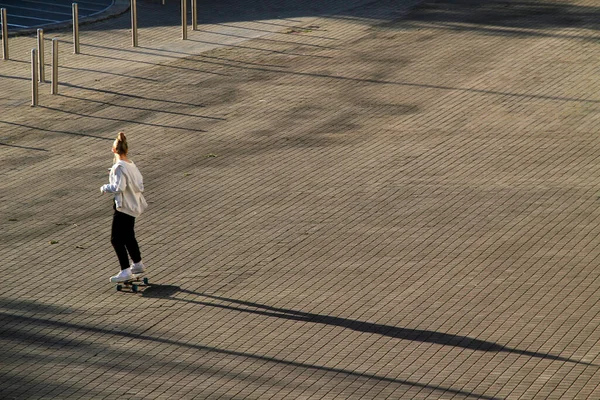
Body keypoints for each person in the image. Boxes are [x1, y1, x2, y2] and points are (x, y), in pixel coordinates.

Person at [100, 132, 148, 283]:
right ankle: (138, 264)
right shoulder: (131, 164)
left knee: (116, 239)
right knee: (128, 236)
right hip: (134, 205)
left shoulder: (118, 167)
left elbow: (118, 187)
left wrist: (105, 187)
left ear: (114, 150)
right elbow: (139, 183)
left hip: (123, 207)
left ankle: (125, 270)